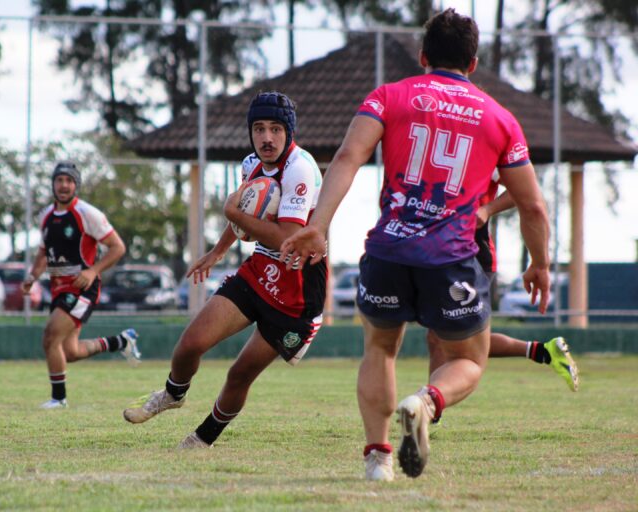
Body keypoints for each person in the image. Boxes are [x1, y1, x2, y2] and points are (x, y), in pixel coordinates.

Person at [280, 9, 551, 481]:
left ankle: (377, 459)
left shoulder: (389, 96)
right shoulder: (500, 118)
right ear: (473, 62)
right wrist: (540, 263)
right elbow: (533, 206)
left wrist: (318, 225)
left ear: (424, 56)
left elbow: (347, 156)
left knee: (380, 350)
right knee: (468, 358)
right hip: (450, 259)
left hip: (387, 250)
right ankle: (425, 402)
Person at [122, 91, 326, 448]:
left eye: (276, 129)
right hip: (260, 269)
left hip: (298, 289)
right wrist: (217, 252)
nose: (266, 138)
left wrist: (234, 215)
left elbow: (288, 239)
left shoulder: (300, 170)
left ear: (289, 132)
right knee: (190, 344)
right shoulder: (251, 165)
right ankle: (173, 393)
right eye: (259, 129)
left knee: (239, 374)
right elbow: (248, 210)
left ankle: (202, 440)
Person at [428, 183, 579, 392]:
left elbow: (524, 190)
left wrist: (487, 209)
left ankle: (429, 406)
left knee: (441, 336)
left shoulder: (487, 152)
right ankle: (543, 351)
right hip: (434, 254)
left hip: (472, 257)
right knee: (449, 337)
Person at [22, 161, 141, 409]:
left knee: (50, 336)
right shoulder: (45, 216)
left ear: (76, 185)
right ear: (53, 184)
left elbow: (118, 247)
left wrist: (93, 271)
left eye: (69, 180)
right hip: (59, 288)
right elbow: (44, 253)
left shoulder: (88, 214)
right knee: (71, 352)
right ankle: (121, 341)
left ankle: (58, 399)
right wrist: (32, 276)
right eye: (59, 180)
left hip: (82, 288)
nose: (64, 185)